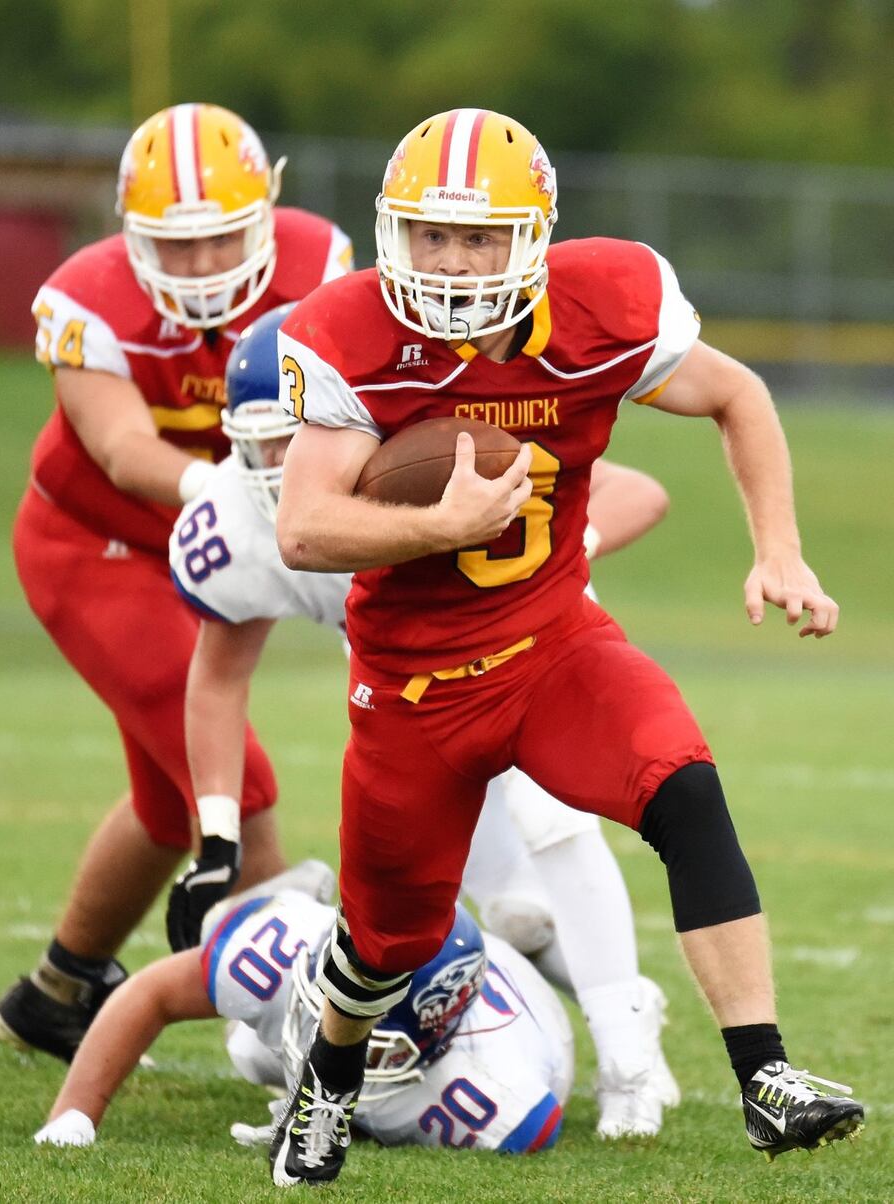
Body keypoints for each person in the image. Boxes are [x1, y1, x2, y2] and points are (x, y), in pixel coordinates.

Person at [262, 108, 861, 1184]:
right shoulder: (351, 331)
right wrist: (436, 528)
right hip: (412, 689)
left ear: (531, 238)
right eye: (430, 234)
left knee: (683, 785)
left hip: (551, 645)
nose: (450, 261)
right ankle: (330, 1079)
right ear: (393, 233)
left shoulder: (600, 305)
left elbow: (739, 394)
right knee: (387, 937)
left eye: (478, 236)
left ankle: (765, 1077)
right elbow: (302, 526)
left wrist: (780, 549)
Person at [166, 302, 677, 1137]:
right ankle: (591, 1012)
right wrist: (217, 835)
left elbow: (642, 494)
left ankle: (627, 1055)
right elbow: (217, 679)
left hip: (528, 634)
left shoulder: (423, 433)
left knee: (556, 826)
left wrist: (532, 550)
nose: (282, 462)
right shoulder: (233, 526)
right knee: (495, 904)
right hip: (407, 683)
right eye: (266, 442)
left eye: (298, 439)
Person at [0, 103, 355, 1062]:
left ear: (267, 210)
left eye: (222, 239)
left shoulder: (323, 262)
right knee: (245, 791)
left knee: (165, 809)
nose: (199, 268)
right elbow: (120, 450)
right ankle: (304, 1040)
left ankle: (56, 992)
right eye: (171, 245)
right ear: (126, 230)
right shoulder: (86, 296)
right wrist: (243, 493)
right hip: (98, 549)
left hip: (217, 545)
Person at [34, 868, 574, 1156]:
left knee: (275, 1056)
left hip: (524, 1010)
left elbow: (539, 1126)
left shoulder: (492, 1089)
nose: (337, 1023)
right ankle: (304, 886)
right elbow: (152, 993)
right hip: (418, 983)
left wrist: (364, 1127)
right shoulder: (286, 956)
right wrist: (75, 1116)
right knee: (247, 1045)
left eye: (372, 1026)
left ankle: (554, 956)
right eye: (336, 1002)